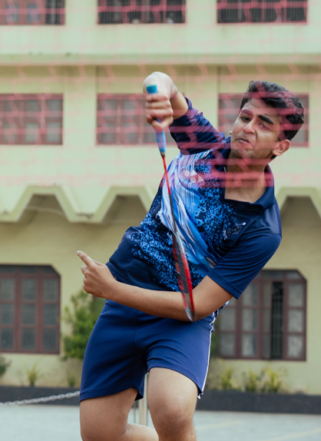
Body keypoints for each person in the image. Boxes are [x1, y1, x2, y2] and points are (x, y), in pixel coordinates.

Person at [77, 73, 303, 441]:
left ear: (280, 147)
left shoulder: (263, 229)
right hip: (123, 307)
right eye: (245, 117)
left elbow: (197, 305)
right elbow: (164, 83)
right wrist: (157, 92)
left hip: (178, 320)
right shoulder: (204, 146)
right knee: (100, 435)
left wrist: (112, 289)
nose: (248, 127)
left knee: (170, 407)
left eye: (264, 125)